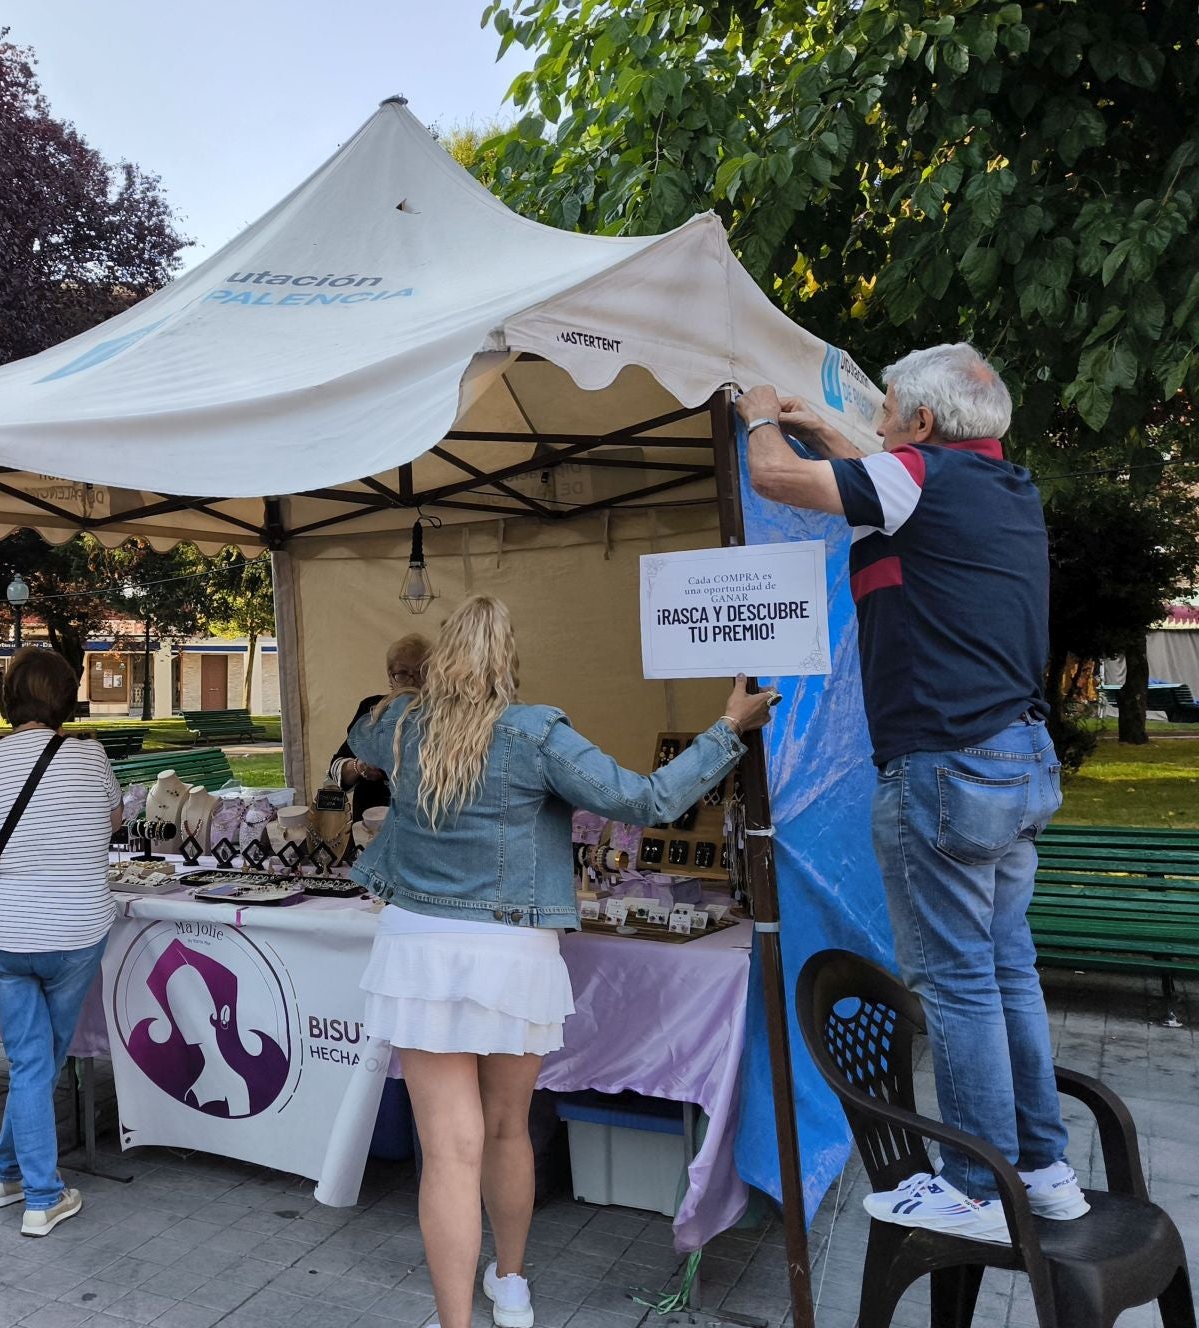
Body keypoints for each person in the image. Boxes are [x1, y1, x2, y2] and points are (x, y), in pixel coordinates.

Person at [348, 595, 773, 1328]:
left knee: (450, 1152)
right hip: (512, 949)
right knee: (508, 1129)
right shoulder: (534, 733)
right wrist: (729, 726)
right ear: (509, 662)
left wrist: (407, 693)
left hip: (418, 946)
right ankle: (510, 1287)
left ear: (443, 659)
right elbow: (647, 797)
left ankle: (456, 1324)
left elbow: (359, 726)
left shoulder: (402, 725)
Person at [735, 343, 1076, 1244]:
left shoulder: (917, 476)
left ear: (921, 427)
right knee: (1008, 975)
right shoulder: (1004, 489)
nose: (879, 429)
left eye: (888, 415)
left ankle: (974, 1189)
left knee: (960, 984)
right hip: (1019, 759)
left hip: (945, 766)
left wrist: (764, 415)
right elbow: (891, 473)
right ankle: (1042, 1170)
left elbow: (772, 476)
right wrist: (833, 428)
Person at [0, 648, 121, 1238]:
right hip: (77, 931)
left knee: (29, 1059)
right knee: (40, 1059)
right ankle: (42, 1196)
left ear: (6, 697)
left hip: (5, 933)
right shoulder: (92, 758)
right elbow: (114, 823)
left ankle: (4, 1171)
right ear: (66, 698)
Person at [329, 633, 428, 820]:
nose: (413, 681)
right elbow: (335, 769)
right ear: (390, 677)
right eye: (402, 673)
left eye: (422, 671)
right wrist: (359, 766)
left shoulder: (446, 714)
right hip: (371, 824)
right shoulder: (372, 709)